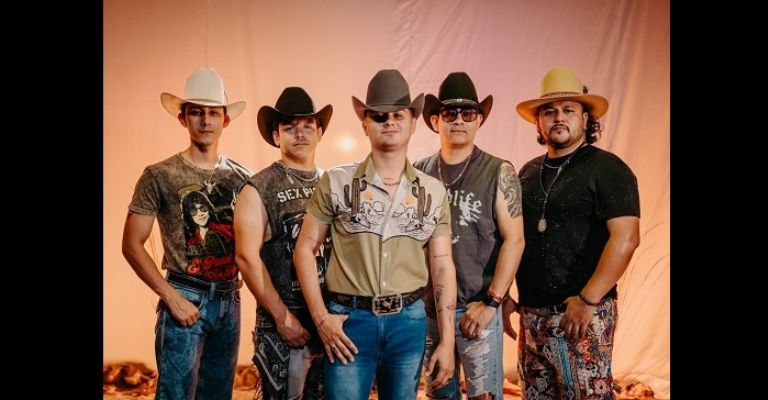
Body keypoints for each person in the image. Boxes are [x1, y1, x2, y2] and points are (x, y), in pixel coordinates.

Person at [292, 69, 458, 400]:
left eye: (398, 114)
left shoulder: (433, 192)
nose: (389, 122)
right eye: (379, 115)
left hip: (408, 323)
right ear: (365, 124)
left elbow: (442, 266)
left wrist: (448, 341)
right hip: (349, 321)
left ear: (413, 122)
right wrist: (321, 319)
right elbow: (304, 249)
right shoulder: (337, 182)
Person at [501, 67, 640, 400]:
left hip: (581, 315)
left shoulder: (607, 168)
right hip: (531, 316)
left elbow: (627, 238)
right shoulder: (528, 172)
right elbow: (512, 237)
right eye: (549, 111)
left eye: (568, 110)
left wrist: (588, 299)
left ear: (585, 118)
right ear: (538, 122)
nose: (558, 117)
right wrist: (503, 294)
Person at [121, 67, 251, 400]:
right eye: (196, 112)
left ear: (225, 120)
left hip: (229, 300)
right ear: (183, 118)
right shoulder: (159, 175)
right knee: (176, 395)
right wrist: (171, 297)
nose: (205, 121)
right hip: (184, 294)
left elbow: (256, 240)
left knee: (218, 394)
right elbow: (132, 244)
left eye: (213, 113)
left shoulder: (242, 177)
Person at [414, 72, 525, 400]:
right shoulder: (417, 172)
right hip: (429, 310)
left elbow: (515, 240)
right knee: (439, 395)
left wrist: (492, 303)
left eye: (468, 113)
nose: (459, 120)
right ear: (435, 120)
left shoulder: (498, 171)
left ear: (479, 120)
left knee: (484, 396)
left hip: (477, 306)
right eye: (450, 113)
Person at [234, 87, 333, 400]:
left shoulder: (332, 184)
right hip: (285, 325)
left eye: (307, 126)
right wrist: (282, 317)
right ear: (276, 136)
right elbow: (246, 258)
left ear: (319, 133)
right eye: (290, 127)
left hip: (329, 319)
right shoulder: (258, 188)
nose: (299, 134)